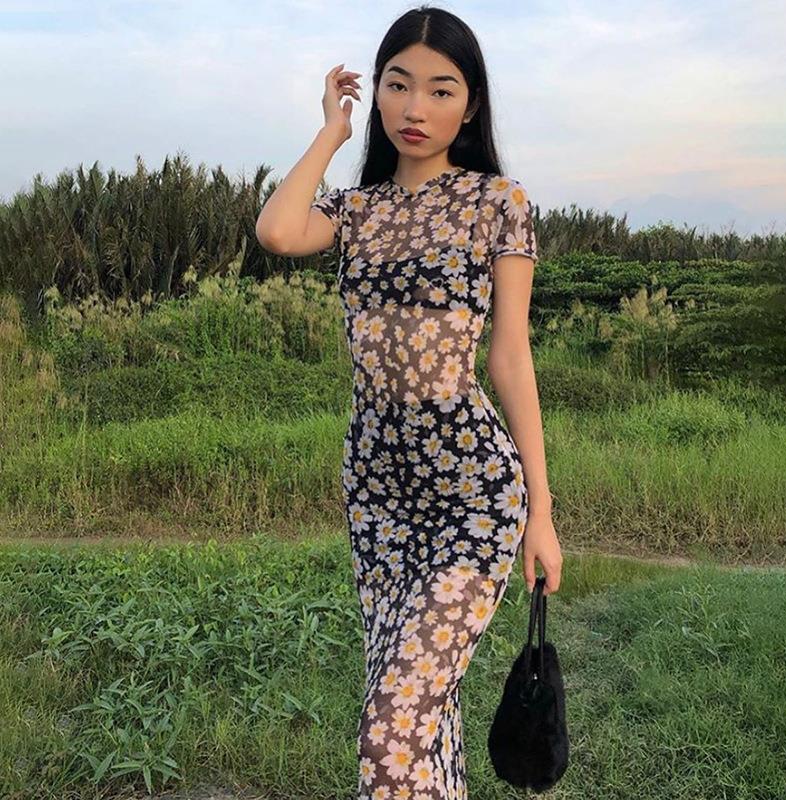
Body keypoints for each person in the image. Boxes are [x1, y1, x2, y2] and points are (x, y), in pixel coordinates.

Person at [257, 6, 562, 798]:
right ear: (378, 93)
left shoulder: (497, 201)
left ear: (471, 104)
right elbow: (278, 232)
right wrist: (331, 131)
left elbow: (510, 357)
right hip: (380, 489)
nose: (415, 107)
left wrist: (541, 511)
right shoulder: (355, 210)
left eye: (440, 89)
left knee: (392, 724)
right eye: (397, 85)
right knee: (426, 713)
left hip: (472, 490)